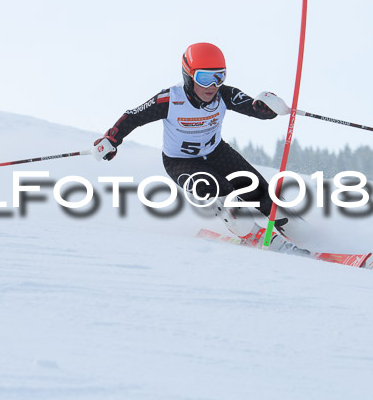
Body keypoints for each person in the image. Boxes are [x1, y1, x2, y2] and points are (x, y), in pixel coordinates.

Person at [92, 42, 300, 250]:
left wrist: (270, 107)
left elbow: (254, 108)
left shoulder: (224, 95)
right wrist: (111, 140)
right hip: (181, 162)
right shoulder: (170, 99)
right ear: (189, 76)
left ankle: (299, 231)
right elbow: (134, 116)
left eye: (219, 77)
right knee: (222, 192)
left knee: (259, 192)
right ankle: (255, 236)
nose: (212, 86)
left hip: (217, 153)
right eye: (204, 78)